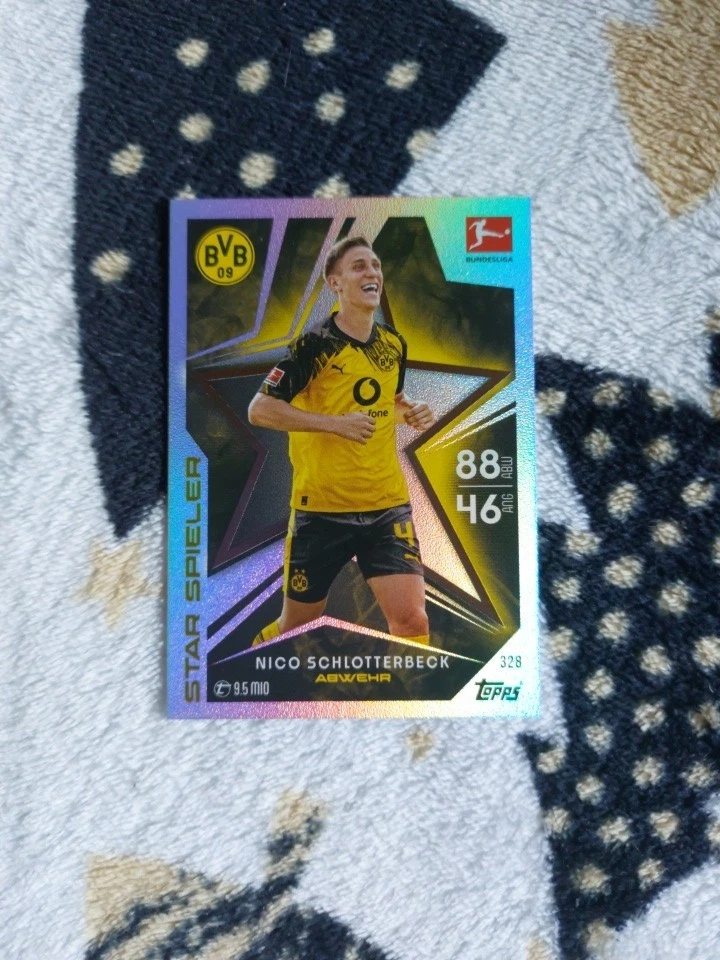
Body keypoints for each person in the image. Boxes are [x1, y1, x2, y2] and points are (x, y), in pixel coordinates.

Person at [247, 236, 434, 647]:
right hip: (322, 512)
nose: (372, 273)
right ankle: (250, 659)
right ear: (335, 283)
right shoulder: (314, 345)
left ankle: (416, 689)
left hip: (386, 506)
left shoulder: (393, 343)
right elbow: (260, 410)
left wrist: (411, 411)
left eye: (376, 265)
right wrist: (334, 424)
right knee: (295, 627)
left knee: (411, 620)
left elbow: (389, 403)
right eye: (359, 266)